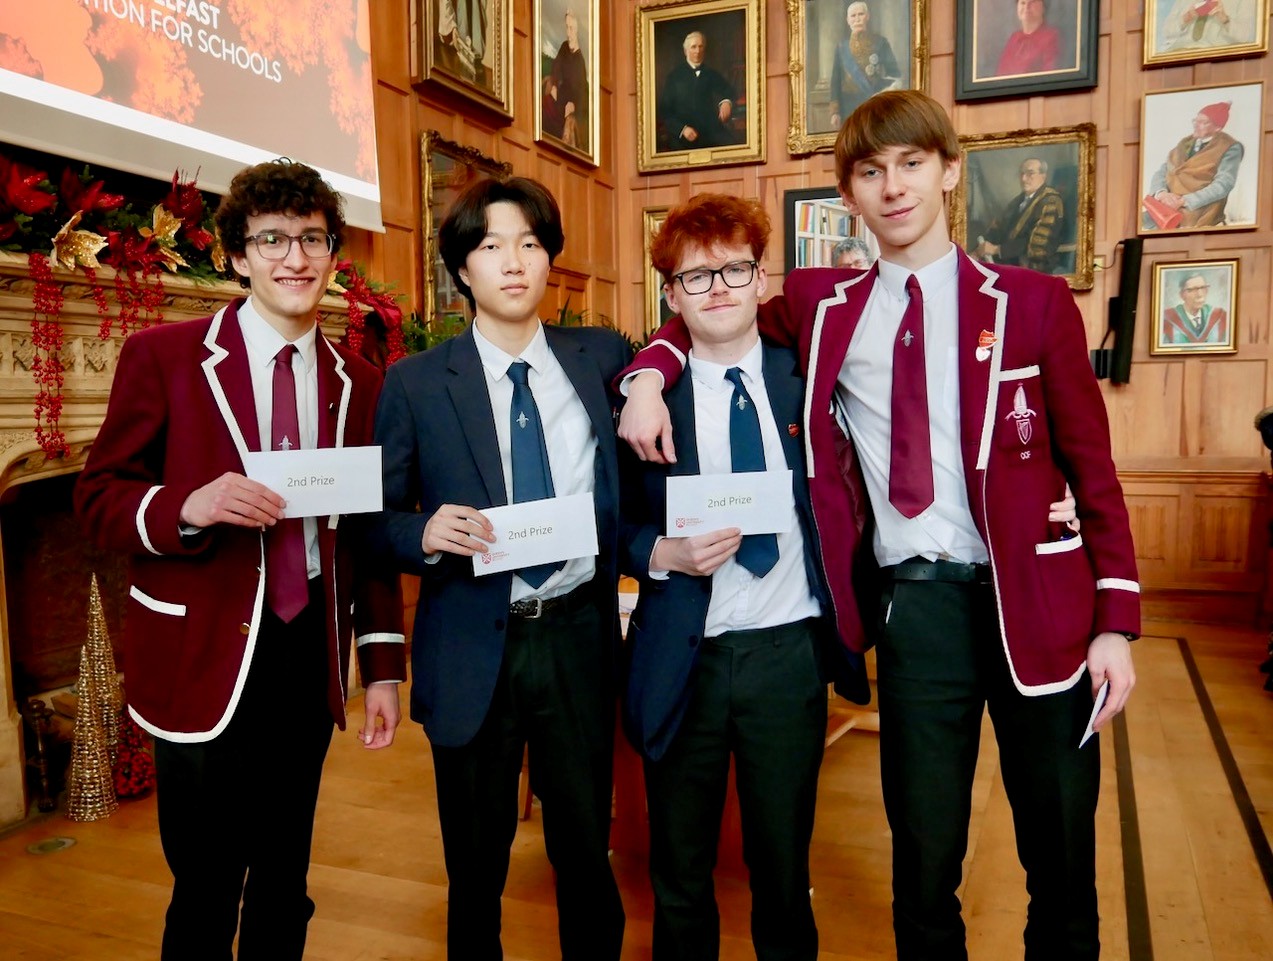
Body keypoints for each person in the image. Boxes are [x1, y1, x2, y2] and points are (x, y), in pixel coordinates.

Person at [618, 89, 1139, 960]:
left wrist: (1114, 620)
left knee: (1060, 856)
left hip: (1040, 604)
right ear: (848, 195)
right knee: (923, 859)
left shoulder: (1034, 301)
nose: (893, 187)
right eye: (869, 172)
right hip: (914, 609)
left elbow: (1093, 470)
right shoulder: (820, 304)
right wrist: (645, 374)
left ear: (949, 172)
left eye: (910, 164)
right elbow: (707, 312)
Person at [74, 159, 406, 961]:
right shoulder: (164, 356)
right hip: (201, 652)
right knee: (205, 883)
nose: (295, 258)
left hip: (307, 652)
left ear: (332, 254)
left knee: (285, 879)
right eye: (272, 240)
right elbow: (97, 498)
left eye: (312, 239)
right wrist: (187, 505)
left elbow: (366, 532)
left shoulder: (361, 382)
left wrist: (382, 666)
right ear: (236, 255)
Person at [367, 176, 628, 961]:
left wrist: (651, 381)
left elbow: (679, 349)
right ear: (462, 268)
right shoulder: (415, 382)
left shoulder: (601, 358)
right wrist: (422, 531)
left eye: (529, 244)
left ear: (549, 259)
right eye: (490, 246)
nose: (513, 262)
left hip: (577, 637)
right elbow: (371, 519)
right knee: (475, 869)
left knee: (585, 853)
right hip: (471, 644)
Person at [621, 193, 870, 961]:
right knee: (679, 871)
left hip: (785, 657)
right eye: (695, 277)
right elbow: (609, 526)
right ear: (670, 295)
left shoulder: (810, 380)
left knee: (783, 869)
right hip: (682, 655)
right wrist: (659, 553)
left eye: (733, 269)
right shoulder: (640, 402)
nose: (718, 288)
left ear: (760, 277)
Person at [1143, 100, 1243, 230]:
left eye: (1203, 122)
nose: (1196, 125)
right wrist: (1162, 194)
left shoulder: (1230, 147)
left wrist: (1184, 201)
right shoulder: (1185, 142)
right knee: (1139, 224)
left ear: (1218, 128)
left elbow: (1223, 185)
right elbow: (1162, 171)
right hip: (1165, 208)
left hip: (1199, 211)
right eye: (1196, 120)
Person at [973, 157, 1067, 274]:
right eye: (1021, 173)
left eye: (1030, 173)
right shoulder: (1018, 201)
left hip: (1036, 270)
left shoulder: (1051, 201)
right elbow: (998, 229)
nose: (1023, 179)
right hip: (1009, 265)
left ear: (1043, 176)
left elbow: (1037, 246)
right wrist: (979, 250)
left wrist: (997, 249)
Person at [658, 30, 739, 150]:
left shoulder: (711, 73)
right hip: (684, 136)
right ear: (686, 51)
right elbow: (665, 111)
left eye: (701, 47)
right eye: (694, 47)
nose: (698, 51)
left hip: (710, 132)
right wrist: (682, 129)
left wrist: (726, 102)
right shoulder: (674, 77)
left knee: (734, 148)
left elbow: (729, 91)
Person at [829, 1, 901, 130]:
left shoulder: (880, 43)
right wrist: (835, 112)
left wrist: (882, 94)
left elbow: (894, 75)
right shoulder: (841, 48)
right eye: (853, 16)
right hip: (848, 108)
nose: (857, 19)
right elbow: (835, 81)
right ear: (848, 20)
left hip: (874, 105)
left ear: (867, 16)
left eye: (860, 14)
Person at [543, 9, 587, 147]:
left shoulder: (580, 61)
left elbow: (581, 93)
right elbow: (556, 67)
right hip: (557, 96)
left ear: (577, 30)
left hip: (567, 107)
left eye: (571, 28)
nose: (568, 33)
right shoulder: (564, 47)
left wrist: (574, 105)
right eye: (567, 28)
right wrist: (554, 85)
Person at [1160, 271, 1229, 346]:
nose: (1199, 295)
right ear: (1182, 295)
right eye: (1192, 290)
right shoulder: (1166, 320)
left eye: (1203, 288)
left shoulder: (1220, 317)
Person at [1160, 0, 1258, 52]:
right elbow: (1166, 32)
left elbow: (1244, 37)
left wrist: (1224, 18)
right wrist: (1187, 17)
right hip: (1179, 54)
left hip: (1217, 57)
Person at [996, 0, 1061, 76]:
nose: (1026, 7)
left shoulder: (1052, 37)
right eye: (1023, 3)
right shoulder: (1014, 38)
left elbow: (1050, 76)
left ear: (1043, 7)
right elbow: (1001, 74)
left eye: (1032, 2)